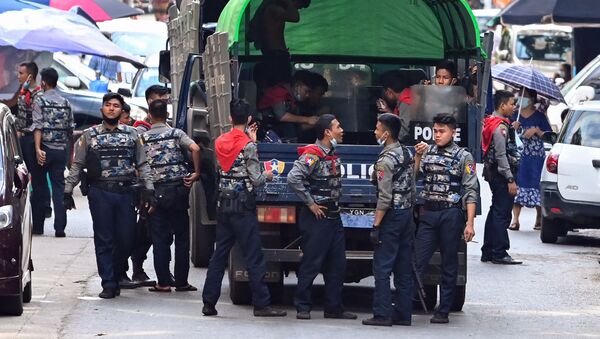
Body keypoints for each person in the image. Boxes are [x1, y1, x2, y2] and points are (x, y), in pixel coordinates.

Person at [64, 93, 155, 299]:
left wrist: (149, 189)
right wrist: (68, 190)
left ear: (121, 111)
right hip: (100, 192)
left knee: (127, 238)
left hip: (125, 193)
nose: (111, 108)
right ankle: (108, 282)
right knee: (104, 239)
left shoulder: (132, 135)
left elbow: (142, 163)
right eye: (108, 105)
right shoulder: (89, 135)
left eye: (115, 105)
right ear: (102, 110)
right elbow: (77, 164)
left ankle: (115, 271)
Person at [202, 99, 286, 317]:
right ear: (249, 118)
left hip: (224, 204)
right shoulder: (248, 145)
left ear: (230, 118)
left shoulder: (219, 140)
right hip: (243, 207)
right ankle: (261, 304)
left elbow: (225, 167)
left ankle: (208, 303)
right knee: (253, 255)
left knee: (219, 255)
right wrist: (268, 174)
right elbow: (256, 179)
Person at [287, 114, 357, 321]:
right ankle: (303, 306)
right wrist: (310, 203)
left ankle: (334, 308)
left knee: (337, 265)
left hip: (334, 217)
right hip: (318, 218)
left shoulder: (332, 153)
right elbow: (293, 177)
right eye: (338, 126)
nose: (342, 130)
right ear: (327, 132)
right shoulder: (313, 154)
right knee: (311, 262)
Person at [413, 113, 479, 324]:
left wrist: (470, 223)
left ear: (453, 132)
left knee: (449, 262)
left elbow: (470, 190)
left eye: (442, 131)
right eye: (435, 131)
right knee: (417, 260)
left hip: (451, 214)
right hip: (429, 212)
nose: (437, 135)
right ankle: (406, 303)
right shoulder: (427, 152)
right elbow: (415, 177)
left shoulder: (463, 156)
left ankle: (444, 310)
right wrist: (417, 157)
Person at [141, 99, 201, 292]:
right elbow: (195, 148)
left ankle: (163, 283)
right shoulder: (176, 134)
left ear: (150, 115)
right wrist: (196, 172)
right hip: (177, 191)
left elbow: (137, 163)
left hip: (155, 193)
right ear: (167, 115)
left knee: (159, 238)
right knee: (182, 238)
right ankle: (182, 282)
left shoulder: (142, 138)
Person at [362, 114, 415, 327]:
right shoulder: (405, 152)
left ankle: (382, 313)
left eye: (377, 128)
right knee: (403, 267)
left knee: (382, 268)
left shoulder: (385, 161)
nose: (375, 132)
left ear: (386, 133)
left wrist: (376, 225)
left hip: (391, 216)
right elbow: (411, 184)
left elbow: (384, 197)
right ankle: (403, 314)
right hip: (406, 214)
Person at [121, 84, 170, 288]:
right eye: (162, 98)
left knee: (157, 233)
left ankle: (150, 271)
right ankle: (136, 268)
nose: (166, 102)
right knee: (144, 231)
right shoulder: (141, 129)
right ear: (151, 101)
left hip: (159, 188)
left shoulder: (165, 126)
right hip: (145, 190)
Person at [481, 90, 522, 265]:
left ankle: (488, 250)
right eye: (512, 104)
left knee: (495, 210)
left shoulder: (494, 122)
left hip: (494, 175)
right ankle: (499, 252)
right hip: (501, 176)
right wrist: (510, 180)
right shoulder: (501, 127)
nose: (514, 107)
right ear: (502, 105)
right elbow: (501, 155)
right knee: (502, 213)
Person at [32, 67, 74, 238]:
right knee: (59, 188)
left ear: (43, 82)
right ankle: (60, 228)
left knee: (40, 186)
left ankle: (39, 226)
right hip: (61, 150)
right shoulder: (66, 103)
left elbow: (37, 126)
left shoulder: (40, 101)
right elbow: (71, 129)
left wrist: (37, 149)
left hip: (45, 149)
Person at [15, 62, 52, 234]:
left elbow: (37, 122)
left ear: (30, 76)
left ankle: (40, 219)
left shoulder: (38, 95)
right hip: (23, 138)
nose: (18, 76)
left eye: (21, 73)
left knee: (37, 180)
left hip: (32, 139)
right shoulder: (24, 92)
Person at [509, 88, 552, 231]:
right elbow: (506, 133)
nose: (521, 98)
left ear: (532, 99)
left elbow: (549, 135)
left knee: (536, 184)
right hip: (519, 157)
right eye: (519, 95)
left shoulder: (540, 117)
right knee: (518, 185)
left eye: (525, 96)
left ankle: (539, 218)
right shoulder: (514, 115)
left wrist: (537, 131)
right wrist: (512, 128)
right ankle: (515, 220)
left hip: (536, 158)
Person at [248, 0, 311, 84]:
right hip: (276, 55)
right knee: (281, 85)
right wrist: (288, 2)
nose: (297, 8)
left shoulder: (272, 9)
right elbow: (295, 17)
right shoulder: (273, 9)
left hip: (274, 54)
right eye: (298, 5)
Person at [257, 72, 319, 142]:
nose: (307, 95)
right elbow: (281, 116)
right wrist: (307, 119)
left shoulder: (293, 99)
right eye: (306, 91)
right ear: (298, 86)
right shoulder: (279, 92)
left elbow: (294, 127)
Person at [376, 70, 411, 142]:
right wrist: (388, 111)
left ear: (389, 92)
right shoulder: (404, 100)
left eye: (384, 92)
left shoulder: (406, 102)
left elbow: (402, 133)